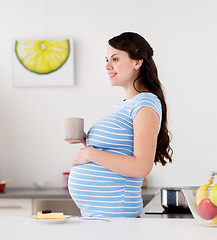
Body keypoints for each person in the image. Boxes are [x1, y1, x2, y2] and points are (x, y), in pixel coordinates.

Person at [67, 32, 173, 218]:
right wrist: (89, 144)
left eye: (115, 59)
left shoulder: (145, 104)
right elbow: (117, 153)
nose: (107, 66)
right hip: (101, 217)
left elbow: (141, 166)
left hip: (117, 216)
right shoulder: (126, 105)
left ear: (137, 62)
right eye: (107, 60)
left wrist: (91, 153)